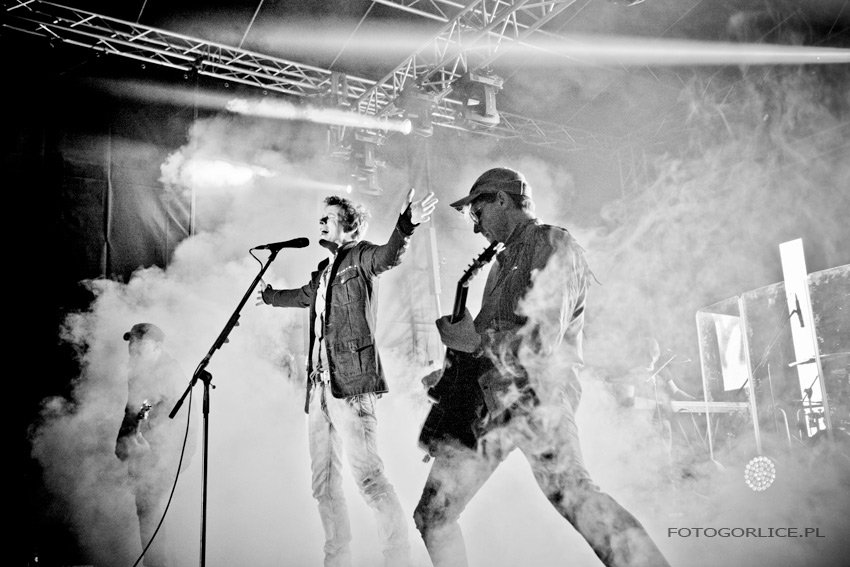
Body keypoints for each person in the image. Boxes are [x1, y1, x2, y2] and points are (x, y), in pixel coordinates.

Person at [413, 167, 671, 567]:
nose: (475, 226)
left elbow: (540, 342)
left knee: (574, 495)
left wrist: (475, 343)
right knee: (432, 514)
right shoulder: (498, 264)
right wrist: (451, 374)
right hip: (492, 401)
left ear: (502, 200)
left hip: (539, 396)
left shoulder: (555, 244)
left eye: (477, 213)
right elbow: (480, 344)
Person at [257, 189, 438, 567]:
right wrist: (270, 297)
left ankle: (398, 560)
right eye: (321, 217)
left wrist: (406, 225)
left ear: (350, 226)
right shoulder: (324, 272)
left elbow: (389, 256)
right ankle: (335, 561)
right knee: (323, 488)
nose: (321, 222)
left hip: (352, 389)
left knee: (370, 481)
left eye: (329, 217)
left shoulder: (361, 257)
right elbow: (303, 296)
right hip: (319, 393)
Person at [115, 322, 197, 567]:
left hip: (170, 451)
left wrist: (137, 433)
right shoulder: (138, 369)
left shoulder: (168, 371)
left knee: (151, 508)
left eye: (140, 344)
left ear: (158, 347)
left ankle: (159, 563)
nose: (133, 349)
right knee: (147, 509)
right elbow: (133, 408)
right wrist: (123, 440)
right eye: (131, 343)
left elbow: (150, 406)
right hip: (149, 448)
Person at [613, 337, 698, 489]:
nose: (651, 356)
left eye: (654, 352)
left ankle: (666, 488)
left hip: (664, 420)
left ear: (657, 354)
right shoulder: (634, 373)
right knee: (654, 456)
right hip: (645, 422)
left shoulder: (663, 371)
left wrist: (694, 400)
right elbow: (628, 400)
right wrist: (652, 404)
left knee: (666, 456)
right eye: (648, 353)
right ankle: (659, 488)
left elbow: (675, 391)